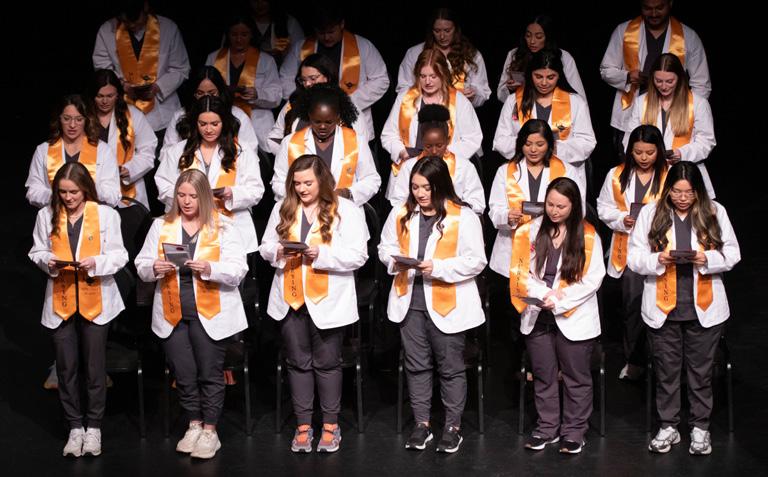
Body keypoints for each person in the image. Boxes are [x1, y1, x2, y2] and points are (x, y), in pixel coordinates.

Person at [628, 162, 740, 456]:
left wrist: (707, 259)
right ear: (668, 190)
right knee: (666, 372)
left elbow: (733, 253)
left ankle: (700, 427)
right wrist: (658, 260)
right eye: (677, 191)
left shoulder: (714, 211)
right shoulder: (651, 213)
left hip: (704, 307)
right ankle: (669, 426)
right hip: (663, 307)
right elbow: (634, 257)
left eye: (689, 192)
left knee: (700, 373)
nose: (682, 197)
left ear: (698, 191)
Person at [135, 169, 248, 459]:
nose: (186, 201)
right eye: (181, 195)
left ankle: (210, 431)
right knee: (184, 374)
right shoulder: (161, 225)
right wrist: (154, 267)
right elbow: (141, 264)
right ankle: (194, 425)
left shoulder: (224, 227)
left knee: (209, 373)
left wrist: (210, 268)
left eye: (193, 196)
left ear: (205, 197)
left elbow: (238, 269)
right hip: (173, 311)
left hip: (210, 312)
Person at [260, 154, 368, 453]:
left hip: (328, 300)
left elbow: (358, 255)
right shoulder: (284, 207)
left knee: (327, 363)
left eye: (308, 183)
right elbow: (265, 246)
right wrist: (278, 252)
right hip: (292, 297)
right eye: (297, 184)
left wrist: (320, 254)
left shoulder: (346, 209)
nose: (302, 189)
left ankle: (331, 425)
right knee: (297, 362)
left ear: (322, 180)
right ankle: (304, 425)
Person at [379, 156, 486, 453]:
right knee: (416, 366)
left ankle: (452, 427)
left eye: (426, 187)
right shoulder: (402, 212)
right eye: (415, 187)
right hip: (410, 300)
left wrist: (436, 267)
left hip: (447, 303)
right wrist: (395, 260)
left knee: (450, 367)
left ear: (440, 185)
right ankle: (422, 424)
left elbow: (476, 261)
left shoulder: (463, 216)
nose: (420, 193)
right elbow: (385, 246)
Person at [29, 162, 128, 457]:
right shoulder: (46, 215)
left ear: (85, 189)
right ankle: (75, 427)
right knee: (66, 367)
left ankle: (94, 427)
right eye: (62, 192)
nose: (68, 198)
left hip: (95, 299)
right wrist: (47, 261)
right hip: (61, 300)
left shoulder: (106, 215)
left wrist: (96, 262)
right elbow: (36, 250)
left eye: (73, 192)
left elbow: (119, 255)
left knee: (95, 368)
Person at [510, 177, 605, 454]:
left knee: (576, 377)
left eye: (561, 206)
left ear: (573, 206)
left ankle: (574, 431)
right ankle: (547, 428)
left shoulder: (588, 235)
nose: (554, 211)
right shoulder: (530, 230)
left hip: (573, 314)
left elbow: (592, 279)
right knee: (543, 375)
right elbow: (520, 272)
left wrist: (559, 300)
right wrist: (543, 294)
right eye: (550, 205)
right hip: (539, 313)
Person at [598, 124, 668, 380]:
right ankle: (634, 362)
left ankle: (663, 364)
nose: (644, 158)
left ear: (659, 151)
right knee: (633, 308)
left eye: (649, 152)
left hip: (661, 250)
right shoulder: (616, 175)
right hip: (628, 251)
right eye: (638, 152)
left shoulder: (670, 175)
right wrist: (621, 219)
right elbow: (603, 207)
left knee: (663, 308)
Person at [156, 95, 264, 254]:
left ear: (224, 122)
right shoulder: (177, 151)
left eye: (214, 124)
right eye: (203, 124)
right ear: (195, 123)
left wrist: (231, 193)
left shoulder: (242, 151)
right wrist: (188, 198)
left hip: (230, 226)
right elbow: (163, 184)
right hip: (187, 224)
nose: (208, 130)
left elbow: (256, 190)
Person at [488, 119, 578, 308]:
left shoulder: (566, 170)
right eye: (528, 144)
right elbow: (494, 209)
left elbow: (577, 209)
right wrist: (507, 216)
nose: (533, 150)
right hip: (512, 247)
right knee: (511, 308)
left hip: (552, 245)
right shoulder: (505, 171)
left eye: (540, 144)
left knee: (545, 302)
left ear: (549, 144)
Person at [600, 0, 710, 153]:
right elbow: (606, 69)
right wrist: (627, 77)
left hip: (676, 116)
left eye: (659, 8)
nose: (653, 13)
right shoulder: (624, 31)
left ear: (670, 3)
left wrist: (691, 111)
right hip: (631, 111)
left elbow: (701, 83)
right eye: (647, 8)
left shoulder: (688, 36)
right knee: (633, 156)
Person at [493, 49, 595, 198]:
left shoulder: (576, 102)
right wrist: (530, 148)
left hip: (564, 174)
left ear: (559, 75)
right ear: (530, 74)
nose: (544, 82)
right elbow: (500, 141)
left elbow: (587, 142)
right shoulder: (514, 101)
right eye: (538, 76)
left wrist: (552, 148)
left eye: (551, 77)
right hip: (524, 174)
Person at [279, 2, 389, 140]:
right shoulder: (301, 47)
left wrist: (348, 101)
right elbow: (285, 78)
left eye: (331, 32)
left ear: (341, 24)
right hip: (311, 117)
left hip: (352, 116)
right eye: (321, 32)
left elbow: (381, 79)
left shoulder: (363, 46)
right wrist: (304, 100)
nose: (326, 37)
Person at [382, 48, 482, 198]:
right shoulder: (405, 99)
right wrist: (401, 151)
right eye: (423, 76)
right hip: (410, 168)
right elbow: (388, 135)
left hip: (445, 168)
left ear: (443, 74)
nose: (427, 82)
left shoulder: (459, 101)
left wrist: (442, 153)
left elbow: (472, 138)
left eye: (433, 76)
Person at [92, 0, 190, 136]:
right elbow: (102, 67)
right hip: (124, 108)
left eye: (135, 20)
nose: (132, 25)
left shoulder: (168, 28)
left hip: (162, 111)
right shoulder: (107, 30)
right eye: (126, 21)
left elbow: (180, 68)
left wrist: (157, 87)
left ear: (145, 7)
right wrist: (122, 85)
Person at [272, 83, 380, 206]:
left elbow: (371, 179)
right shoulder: (290, 143)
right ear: (309, 116)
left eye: (329, 122)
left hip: (344, 209)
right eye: (317, 121)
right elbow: (278, 182)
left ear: (338, 117)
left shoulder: (356, 141)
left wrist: (348, 193)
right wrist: (302, 194)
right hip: (302, 209)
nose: (322, 127)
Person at [624, 53, 716, 198]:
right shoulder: (642, 102)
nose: (663, 86)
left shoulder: (698, 104)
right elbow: (629, 139)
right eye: (658, 81)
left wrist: (682, 153)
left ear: (680, 78)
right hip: (650, 175)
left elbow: (706, 141)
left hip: (685, 174)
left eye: (669, 81)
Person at [26, 94, 121, 208]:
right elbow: (33, 191)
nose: (72, 125)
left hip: (93, 216)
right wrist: (59, 195)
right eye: (66, 119)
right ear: (59, 119)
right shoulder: (43, 150)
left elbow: (113, 194)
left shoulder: (103, 151)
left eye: (79, 119)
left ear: (87, 120)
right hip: (55, 215)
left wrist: (85, 189)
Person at [205, 14, 282, 153]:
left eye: (244, 34)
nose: (239, 39)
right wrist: (225, 91)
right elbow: (205, 87)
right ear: (227, 35)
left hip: (257, 121)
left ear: (251, 34)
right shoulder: (214, 58)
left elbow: (276, 95)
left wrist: (258, 94)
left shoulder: (266, 60)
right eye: (234, 34)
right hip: (223, 117)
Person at [388, 104, 485, 214]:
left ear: (447, 140)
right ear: (422, 141)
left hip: (455, 221)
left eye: (439, 146)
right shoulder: (409, 167)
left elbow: (477, 203)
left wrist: (450, 211)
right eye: (428, 146)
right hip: (418, 219)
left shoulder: (464, 167)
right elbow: (399, 201)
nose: (434, 151)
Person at [267, 53, 370, 155]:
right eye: (303, 80)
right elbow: (274, 138)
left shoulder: (344, 104)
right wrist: (290, 156)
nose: (307, 84)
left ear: (328, 77)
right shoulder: (293, 104)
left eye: (313, 78)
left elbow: (361, 141)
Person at [89, 69, 157, 209]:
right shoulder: (84, 116)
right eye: (100, 96)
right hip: (92, 186)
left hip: (128, 192)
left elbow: (148, 151)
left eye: (110, 96)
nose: (105, 101)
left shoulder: (133, 115)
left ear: (118, 94)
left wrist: (129, 169)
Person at [396, 7, 491, 108]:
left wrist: (473, 96)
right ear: (431, 30)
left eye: (447, 30)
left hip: (460, 112)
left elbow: (483, 91)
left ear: (456, 29)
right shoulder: (414, 53)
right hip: (424, 112)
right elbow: (403, 88)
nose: (442, 36)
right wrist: (427, 96)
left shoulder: (471, 54)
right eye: (437, 31)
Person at [161, 66, 259, 157]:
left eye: (212, 93)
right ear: (193, 93)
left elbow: (250, 153)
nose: (206, 98)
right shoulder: (181, 115)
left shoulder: (238, 116)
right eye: (200, 93)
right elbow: (167, 153)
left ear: (220, 92)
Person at [497, 14, 585, 103]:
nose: (532, 41)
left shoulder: (563, 57)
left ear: (548, 37)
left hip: (555, 108)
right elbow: (501, 94)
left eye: (538, 37)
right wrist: (510, 89)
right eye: (528, 35)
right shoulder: (515, 54)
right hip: (522, 106)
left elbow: (579, 95)